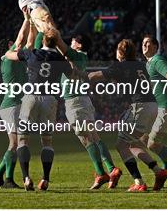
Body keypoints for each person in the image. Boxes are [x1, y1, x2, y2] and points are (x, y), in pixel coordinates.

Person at [88, 39, 167, 192]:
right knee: (133, 144)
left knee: (120, 144)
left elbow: (95, 76)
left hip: (140, 106)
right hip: (152, 105)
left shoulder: (120, 66)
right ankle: (159, 172)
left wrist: (79, 77)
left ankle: (139, 182)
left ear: (120, 52)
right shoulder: (140, 65)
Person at [48, 29, 122, 190]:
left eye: (73, 40)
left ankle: (101, 173)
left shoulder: (76, 55)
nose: (71, 42)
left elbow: (61, 46)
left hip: (75, 102)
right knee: (95, 137)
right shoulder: (79, 57)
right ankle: (111, 169)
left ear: (79, 44)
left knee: (85, 138)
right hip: (84, 101)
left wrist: (51, 31)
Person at [4, 30, 72, 191]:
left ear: (42, 42)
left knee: (23, 140)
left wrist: (8, 50)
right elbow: (71, 74)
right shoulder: (59, 59)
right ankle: (45, 179)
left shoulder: (32, 53)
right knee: (47, 141)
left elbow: (10, 56)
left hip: (31, 98)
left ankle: (26, 178)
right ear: (56, 43)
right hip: (49, 99)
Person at [0, 19, 34, 189]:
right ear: (8, 47)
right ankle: (5, 177)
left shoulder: (14, 60)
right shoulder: (8, 59)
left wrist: (33, 26)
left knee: (14, 144)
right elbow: (21, 39)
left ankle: (1, 175)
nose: (16, 45)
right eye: (12, 44)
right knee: (15, 143)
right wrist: (26, 20)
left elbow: (28, 43)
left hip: (14, 105)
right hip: (12, 105)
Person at [141, 35, 167, 176]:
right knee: (143, 138)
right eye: (143, 43)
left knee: (152, 144)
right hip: (157, 107)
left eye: (148, 43)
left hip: (165, 108)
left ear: (155, 47)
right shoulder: (148, 63)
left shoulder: (157, 60)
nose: (145, 45)